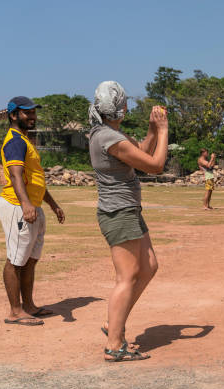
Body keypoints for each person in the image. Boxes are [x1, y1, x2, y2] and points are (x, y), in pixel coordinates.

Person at [88, 81, 168, 362]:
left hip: (127, 210)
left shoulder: (109, 133)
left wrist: (150, 131)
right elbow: (155, 165)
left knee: (149, 267)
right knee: (127, 277)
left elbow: (142, 152)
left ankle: (115, 323)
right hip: (118, 212)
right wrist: (163, 130)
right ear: (119, 107)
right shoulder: (109, 138)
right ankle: (114, 344)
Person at [0, 96, 65, 326]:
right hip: (17, 206)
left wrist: (52, 204)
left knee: (30, 260)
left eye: (34, 112)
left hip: (31, 205)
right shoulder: (15, 141)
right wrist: (25, 204)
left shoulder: (25, 141)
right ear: (14, 115)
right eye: (27, 113)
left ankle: (28, 306)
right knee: (16, 260)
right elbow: (16, 175)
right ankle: (15, 311)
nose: (33, 116)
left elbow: (34, 179)